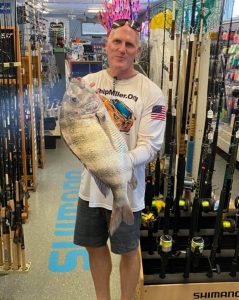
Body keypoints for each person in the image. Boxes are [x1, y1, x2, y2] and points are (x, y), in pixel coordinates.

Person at [73, 19, 166, 300]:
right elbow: (77, 130)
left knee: (128, 249)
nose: (122, 49)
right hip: (90, 188)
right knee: (94, 245)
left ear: (137, 50)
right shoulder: (88, 84)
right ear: (106, 44)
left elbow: (151, 145)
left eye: (129, 44)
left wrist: (120, 162)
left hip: (127, 190)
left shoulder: (152, 93)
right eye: (117, 42)